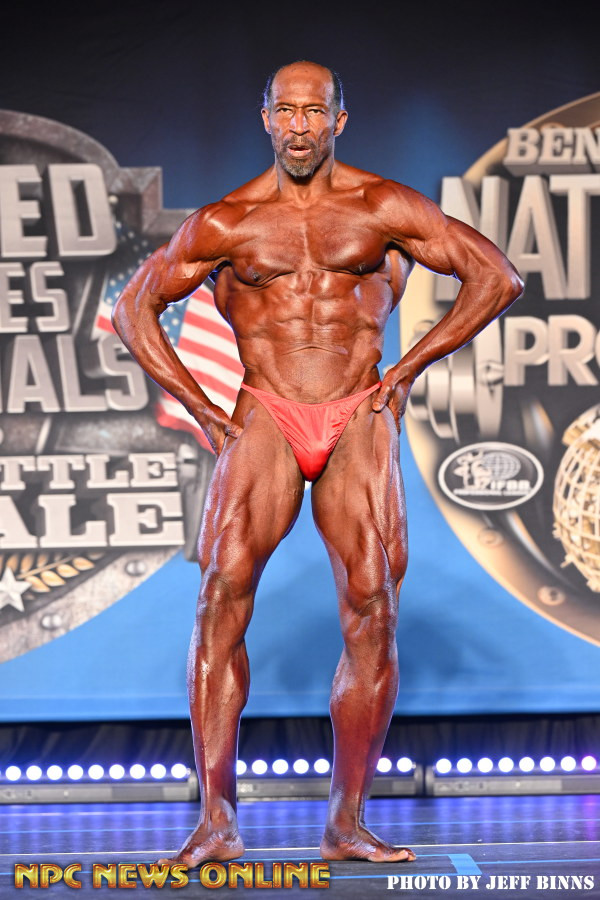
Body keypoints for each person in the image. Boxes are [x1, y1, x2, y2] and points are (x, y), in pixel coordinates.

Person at [112, 60, 523, 866]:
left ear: (339, 119)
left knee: (373, 605)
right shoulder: (227, 221)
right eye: (286, 111)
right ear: (266, 118)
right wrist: (202, 407)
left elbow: (496, 277)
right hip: (265, 406)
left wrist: (409, 367)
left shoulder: (382, 206)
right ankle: (216, 821)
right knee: (219, 596)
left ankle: (346, 822)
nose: (299, 126)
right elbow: (134, 309)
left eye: (314, 111)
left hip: (357, 406)